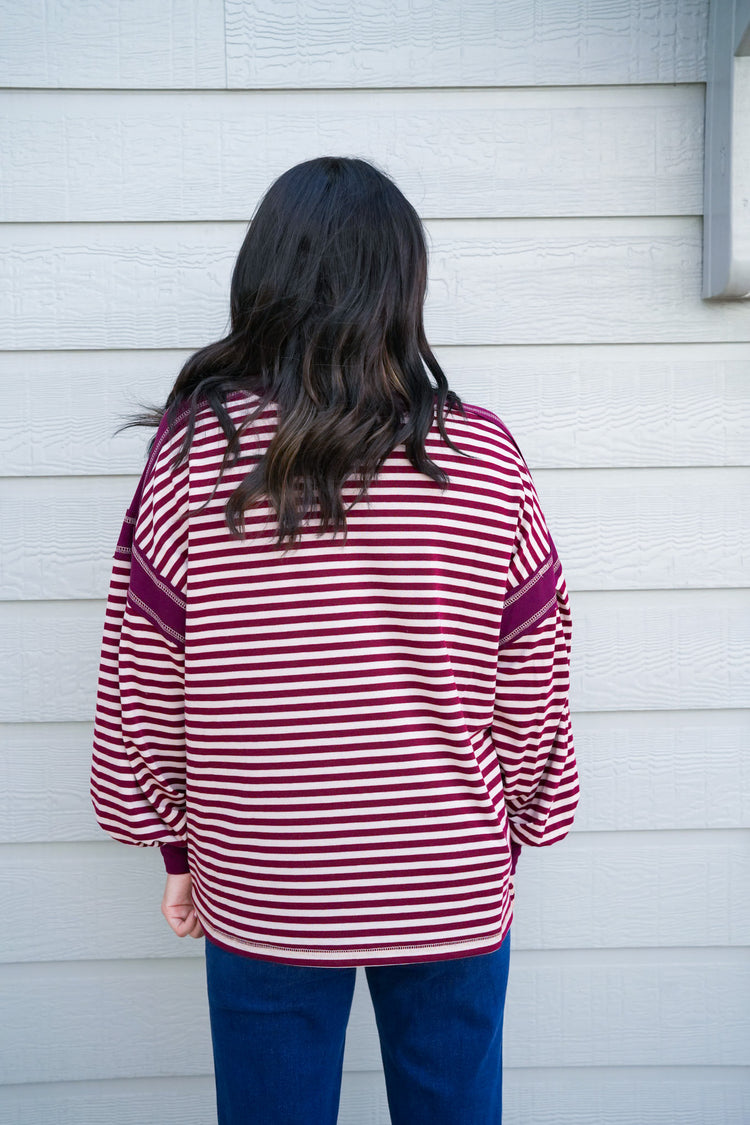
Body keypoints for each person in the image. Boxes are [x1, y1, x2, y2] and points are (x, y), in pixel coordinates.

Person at [90, 155, 580, 1125]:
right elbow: (536, 664)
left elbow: (144, 672)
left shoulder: (195, 454)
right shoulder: (482, 454)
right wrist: (513, 828)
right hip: (447, 870)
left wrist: (177, 848)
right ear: (404, 286)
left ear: (262, 279)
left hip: (265, 874)